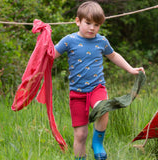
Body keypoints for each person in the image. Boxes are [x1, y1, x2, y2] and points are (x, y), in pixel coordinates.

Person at [54, 1, 145, 160]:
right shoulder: (69, 40)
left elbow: (114, 56)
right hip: (77, 94)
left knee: (103, 107)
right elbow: (50, 55)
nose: (92, 28)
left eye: (96, 25)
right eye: (88, 23)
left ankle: (97, 142)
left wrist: (130, 69)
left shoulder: (101, 41)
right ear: (78, 21)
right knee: (80, 135)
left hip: (97, 88)